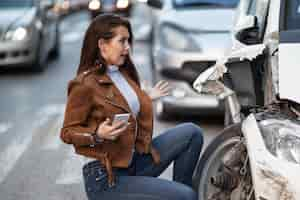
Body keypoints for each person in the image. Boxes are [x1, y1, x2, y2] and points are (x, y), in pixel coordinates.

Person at [60, 14, 204, 200]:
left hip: (133, 161)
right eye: (122, 41)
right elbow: (67, 132)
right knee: (186, 196)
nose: (128, 47)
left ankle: (176, 194)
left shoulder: (122, 73)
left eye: (128, 41)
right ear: (103, 45)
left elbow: (124, 104)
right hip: (106, 177)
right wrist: (97, 134)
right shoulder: (84, 84)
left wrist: (145, 98)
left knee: (191, 133)